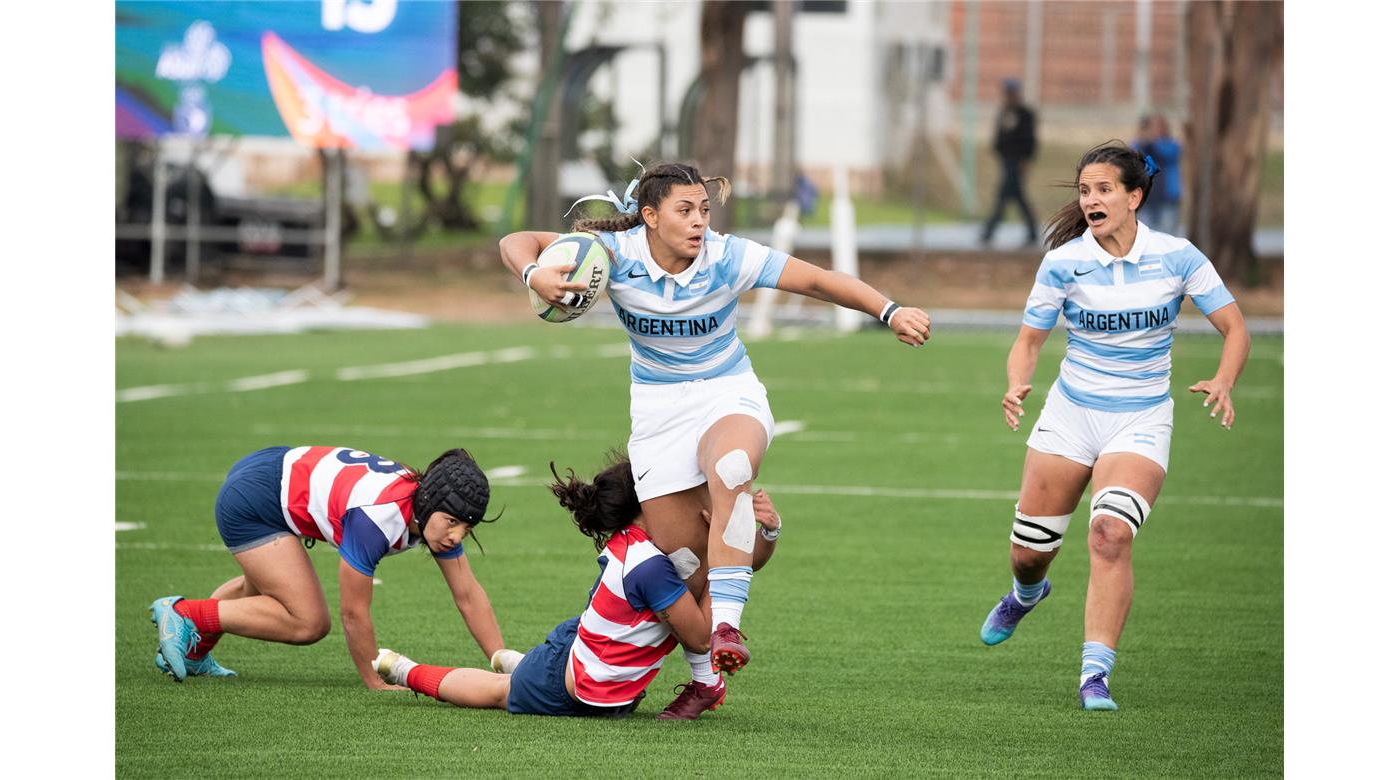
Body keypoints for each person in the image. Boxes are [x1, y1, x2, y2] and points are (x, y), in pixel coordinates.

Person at [498, 161, 929, 711]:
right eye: (684, 210)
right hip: (658, 414)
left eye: (704, 209)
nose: (699, 221)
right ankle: (707, 680)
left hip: (728, 392)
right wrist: (535, 273)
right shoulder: (619, 253)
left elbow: (818, 280)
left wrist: (887, 310)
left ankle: (726, 628)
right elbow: (516, 241)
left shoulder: (727, 256)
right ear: (650, 217)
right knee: (682, 560)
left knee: (731, 469)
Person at [982, 141, 1250, 711]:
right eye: (1085, 191)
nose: (1092, 200)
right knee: (1029, 553)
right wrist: (1014, 383)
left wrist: (1224, 380)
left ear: (1135, 196)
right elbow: (1030, 340)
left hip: (1142, 419)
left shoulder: (1178, 257)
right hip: (1070, 413)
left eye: (1104, 190)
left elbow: (1235, 328)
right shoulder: (1063, 262)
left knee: (1110, 534)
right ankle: (1026, 592)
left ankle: (1094, 676)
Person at [373, 454, 785, 720]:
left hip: (591, 640)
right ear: (650, 506)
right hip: (572, 677)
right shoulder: (650, 566)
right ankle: (406, 670)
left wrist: (765, 531)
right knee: (500, 692)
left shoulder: (654, 544)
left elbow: (742, 567)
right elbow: (699, 638)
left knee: (554, 649)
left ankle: (516, 659)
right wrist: (720, 550)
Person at [148, 446, 517, 689]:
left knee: (259, 589)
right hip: (256, 500)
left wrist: (499, 660)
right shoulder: (378, 518)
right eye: (452, 521)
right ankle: (183, 613)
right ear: (430, 501)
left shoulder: (430, 513)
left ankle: (195, 652)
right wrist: (375, 681)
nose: (456, 535)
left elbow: (468, 594)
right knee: (308, 621)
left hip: (269, 470)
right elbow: (353, 612)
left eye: (466, 527)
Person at [981, 77, 1039, 249]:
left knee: (1003, 195)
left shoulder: (1025, 114)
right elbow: (1000, 136)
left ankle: (989, 230)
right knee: (1016, 196)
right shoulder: (1004, 112)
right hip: (1006, 160)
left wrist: (1026, 160)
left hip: (1017, 160)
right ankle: (1032, 230)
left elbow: (1029, 139)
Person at [1131, 114, 1183, 234]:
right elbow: (1134, 153)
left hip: (1167, 200)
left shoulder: (1171, 145)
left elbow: (1168, 153)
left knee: (1168, 238)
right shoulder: (1140, 145)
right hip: (1146, 200)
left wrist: (1154, 140)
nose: (1154, 130)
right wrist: (1143, 137)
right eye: (1151, 127)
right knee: (1145, 238)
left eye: (1158, 126)